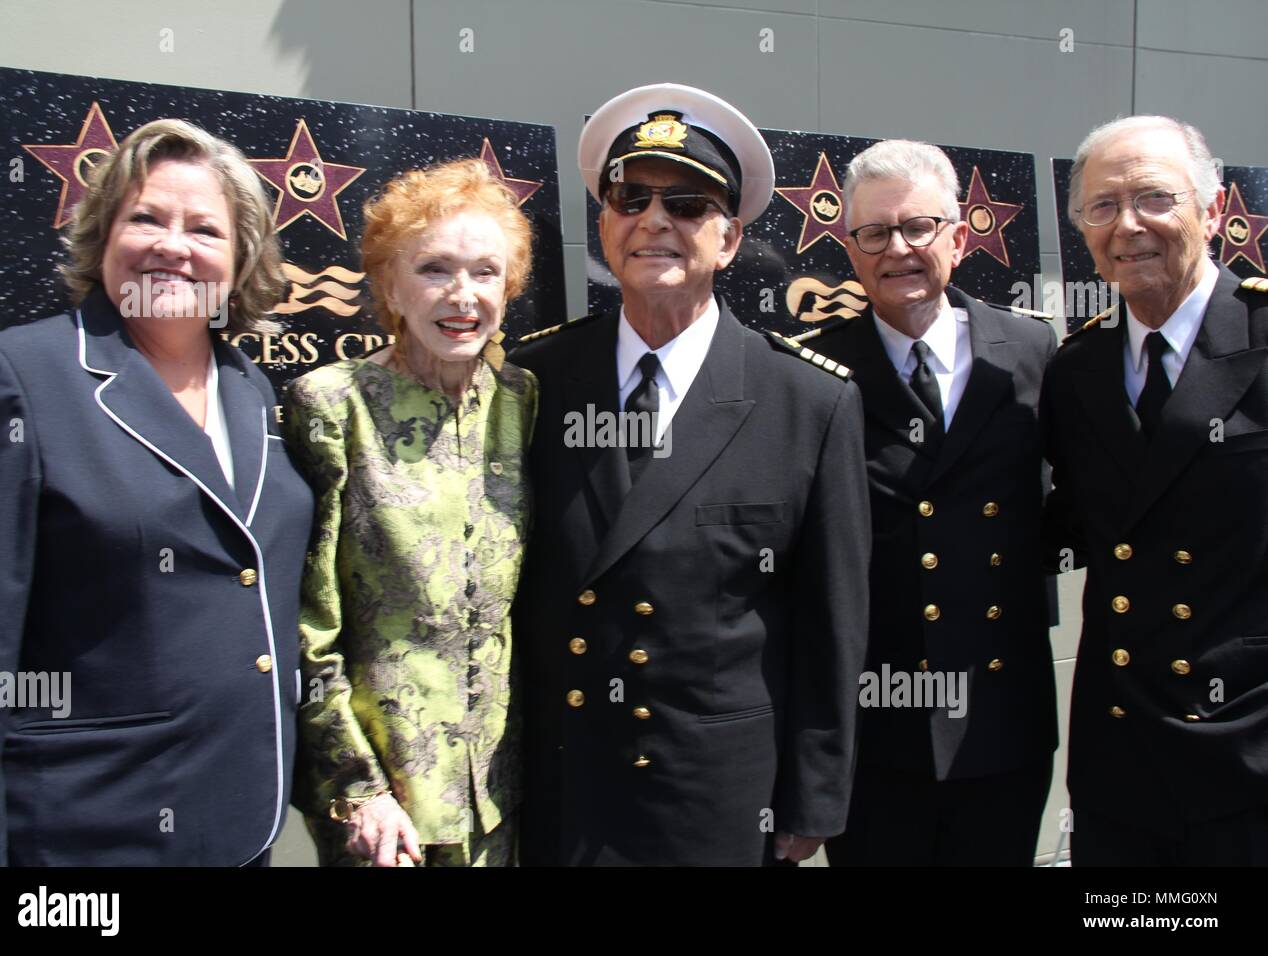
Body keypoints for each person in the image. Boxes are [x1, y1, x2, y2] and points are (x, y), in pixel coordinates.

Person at [510, 82, 871, 866]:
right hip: (563, 787)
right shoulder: (535, 380)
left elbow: (830, 626)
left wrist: (814, 796)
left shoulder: (809, 401)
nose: (654, 221)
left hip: (716, 796)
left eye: (687, 205)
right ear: (604, 225)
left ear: (731, 238)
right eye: (630, 197)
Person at [0, 118, 313, 865]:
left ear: (241, 255)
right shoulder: (20, 379)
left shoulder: (252, 390)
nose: (172, 246)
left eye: (204, 229)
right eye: (146, 218)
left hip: (242, 819)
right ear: (103, 235)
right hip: (88, 833)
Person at [800, 140, 1058, 866]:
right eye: (875, 233)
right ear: (850, 247)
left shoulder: (1032, 351)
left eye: (919, 227)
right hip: (876, 733)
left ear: (959, 233)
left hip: (1001, 724)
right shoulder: (815, 372)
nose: (898, 250)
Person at [284, 158, 537, 867]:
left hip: (505, 793)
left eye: (486, 272)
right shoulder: (332, 408)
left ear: (509, 288)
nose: (463, 296)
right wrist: (354, 788)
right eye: (434, 269)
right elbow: (307, 624)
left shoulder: (523, 403)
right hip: (385, 807)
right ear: (389, 285)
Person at [1042, 114, 1268, 865]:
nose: (1128, 225)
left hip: (1248, 760)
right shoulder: (1076, 371)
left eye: (1154, 199)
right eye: (1102, 207)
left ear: (1212, 208)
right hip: (1119, 763)